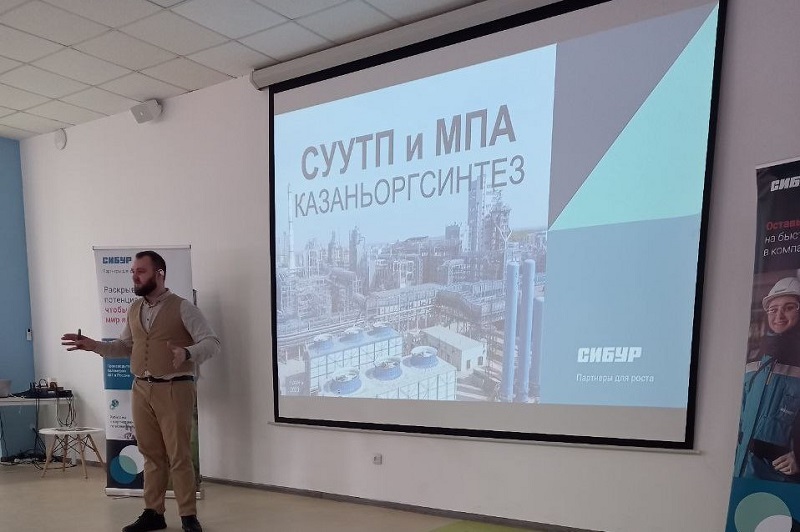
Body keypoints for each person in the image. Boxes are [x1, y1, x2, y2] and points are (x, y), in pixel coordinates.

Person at [62, 250, 220, 532]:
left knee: (179, 455)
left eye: (141, 271)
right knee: (150, 454)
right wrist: (94, 345)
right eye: (133, 272)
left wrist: (187, 353)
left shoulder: (183, 308)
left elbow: (211, 342)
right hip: (141, 389)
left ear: (160, 274)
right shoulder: (134, 309)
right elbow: (125, 346)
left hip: (174, 388)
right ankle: (153, 513)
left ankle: (188, 516)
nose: (134, 277)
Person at [735, 276, 800, 481]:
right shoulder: (754, 357)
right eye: (773, 309)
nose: (779, 315)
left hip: (783, 481)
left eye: (789, 307)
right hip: (744, 472)